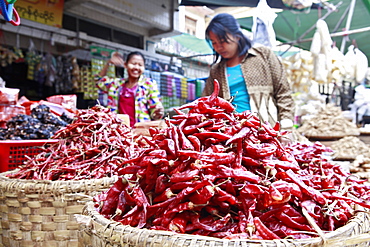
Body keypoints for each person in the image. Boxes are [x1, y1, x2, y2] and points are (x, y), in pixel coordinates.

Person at [203, 13, 295, 131]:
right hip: (231, 134)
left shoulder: (263, 55)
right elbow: (206, 103)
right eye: (214, 42)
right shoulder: (216, 71)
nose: (218, 47)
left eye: (222, 41)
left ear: (237, 36)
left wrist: (286, 126)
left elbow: (283, 93)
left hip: (266, 130)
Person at [95, 51, 164, 127]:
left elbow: (155, 110)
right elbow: (98, 80)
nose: (136, 67)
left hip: (140, 130)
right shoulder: (116, 84)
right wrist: (108, 63)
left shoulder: (149, 84)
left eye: (140, 65)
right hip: (118, 130)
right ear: (125, 65)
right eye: (133, 64)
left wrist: (158, 112)